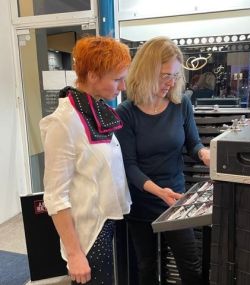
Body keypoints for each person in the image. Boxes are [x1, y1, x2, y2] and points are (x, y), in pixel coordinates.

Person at [116, 36, 210, 285]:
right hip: (142, 201)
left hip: (176, 201)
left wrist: (205, 153)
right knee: (147, 266)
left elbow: (193, 144)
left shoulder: (182, 105)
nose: (172, 82)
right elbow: (129, 166)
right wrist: (158, 191)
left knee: (190, 265)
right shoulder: (126, 113)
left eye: (176, 76)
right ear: (147, 71)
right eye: (165, 75)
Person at [39, 36, 132, 285]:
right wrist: (74, 254)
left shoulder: (95, 111)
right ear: (93, 76)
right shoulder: (64, 121)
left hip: (112, 221)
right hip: (89, 235)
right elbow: (55, 196)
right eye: (116, 79)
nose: (122, 86)